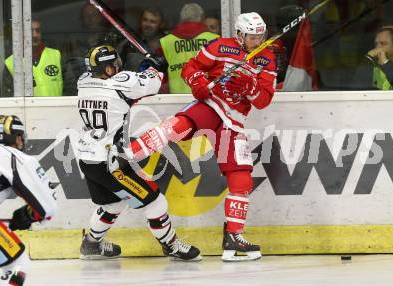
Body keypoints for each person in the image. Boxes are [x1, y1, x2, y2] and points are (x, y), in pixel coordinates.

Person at [118, 12, 277, 261]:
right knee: (176, 127)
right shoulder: (220, 45)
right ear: (239, 34)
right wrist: (198, 82)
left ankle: (233, 239)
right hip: (210, 105)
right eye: (251, 36)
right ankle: (128, 155)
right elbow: (191, 67)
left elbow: (264, 101)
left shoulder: (266, 58)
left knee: (242, 176)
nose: (257, 40)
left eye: (260, 36)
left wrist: (250, 86)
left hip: (233, 120)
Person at [77, 45, 201, 261]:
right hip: (110, 164)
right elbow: (151, 82)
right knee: (156, 202)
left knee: (112, 203)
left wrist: (146, 68)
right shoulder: (121, 83)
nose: (118, 67)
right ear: (108, 70)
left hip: (87, 158)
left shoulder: (83, 81)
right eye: (114, 64)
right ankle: (171, 245)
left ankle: (91, 245)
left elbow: (130, 84)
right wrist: (156, 66)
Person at [0, 115, 57, 285]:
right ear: (17, 138)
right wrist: (30, 215)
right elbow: (48, 208)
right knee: (19, 264)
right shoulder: (14, 157)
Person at [158, 3, 219, 93]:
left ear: (181, 19)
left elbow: (160, 73)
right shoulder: (214, 39)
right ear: (202, 19)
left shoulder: (166, 41)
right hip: (205, 95)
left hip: (174, 98)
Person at [4, 19, 63, 97]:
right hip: (30, 109)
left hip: (59, 108)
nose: (35, 35)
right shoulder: (10, 63)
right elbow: (9, 98)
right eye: (30, 31)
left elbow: (70, 87)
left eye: (38, 31)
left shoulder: (56, 55)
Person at [118, 7, 166, 71]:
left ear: (161, 24)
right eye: (145, 20)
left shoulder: (168, 44)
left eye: (153, 22)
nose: (148, 24)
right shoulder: (129, 43)